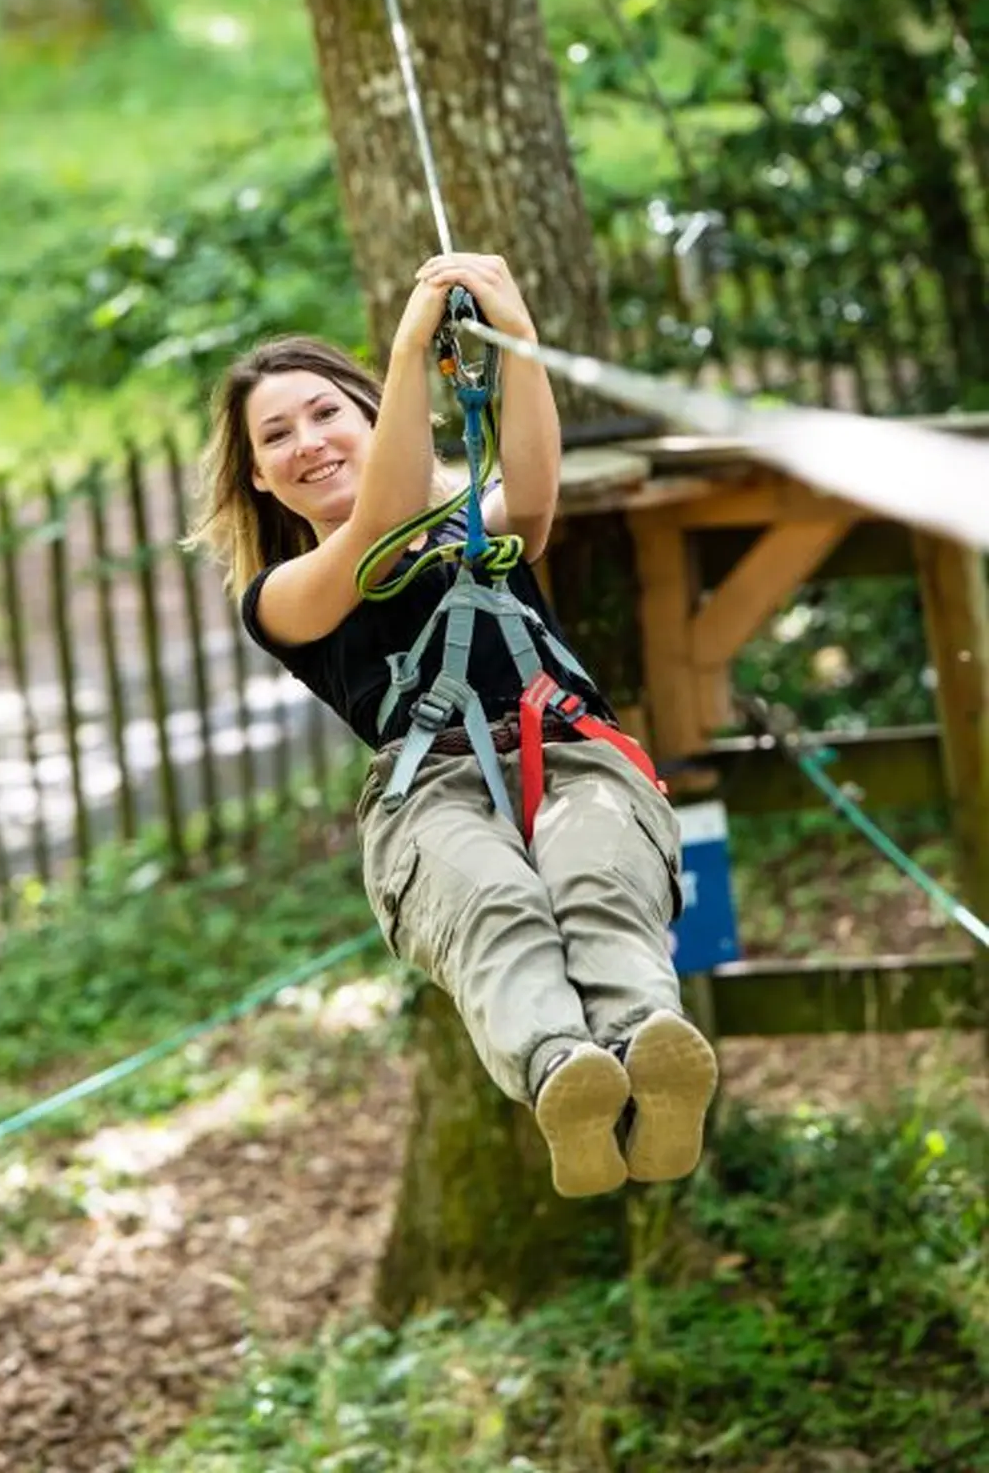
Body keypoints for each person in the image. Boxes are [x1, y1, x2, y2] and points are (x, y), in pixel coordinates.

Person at [194, 250, 718, 1199]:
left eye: (326, 413)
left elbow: (536, 492)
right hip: (430, 789)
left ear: (372, 419)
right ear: (260, 479)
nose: (308, 442)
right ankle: (563, 1071)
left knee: (596, 878)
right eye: (276, 436)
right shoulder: (282, 597)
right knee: (493, 903)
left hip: (570, 755)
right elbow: (382, 524)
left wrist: (515, 337)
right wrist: (406, 349)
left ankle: (648, 1050)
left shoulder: (478, 521)